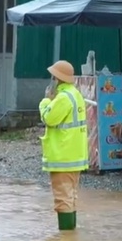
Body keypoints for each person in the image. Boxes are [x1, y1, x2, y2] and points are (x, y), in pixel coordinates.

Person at [38, 60, 89, 231]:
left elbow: (48, 118)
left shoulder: (63, 98)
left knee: (63, 198)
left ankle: (66, 240)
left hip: (63, 156)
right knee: (70, 196)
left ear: (57, 78)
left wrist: (45, 101)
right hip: (75, 156)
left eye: (53, 77)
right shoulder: (76, 94)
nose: (51, 80)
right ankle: (70, 239)